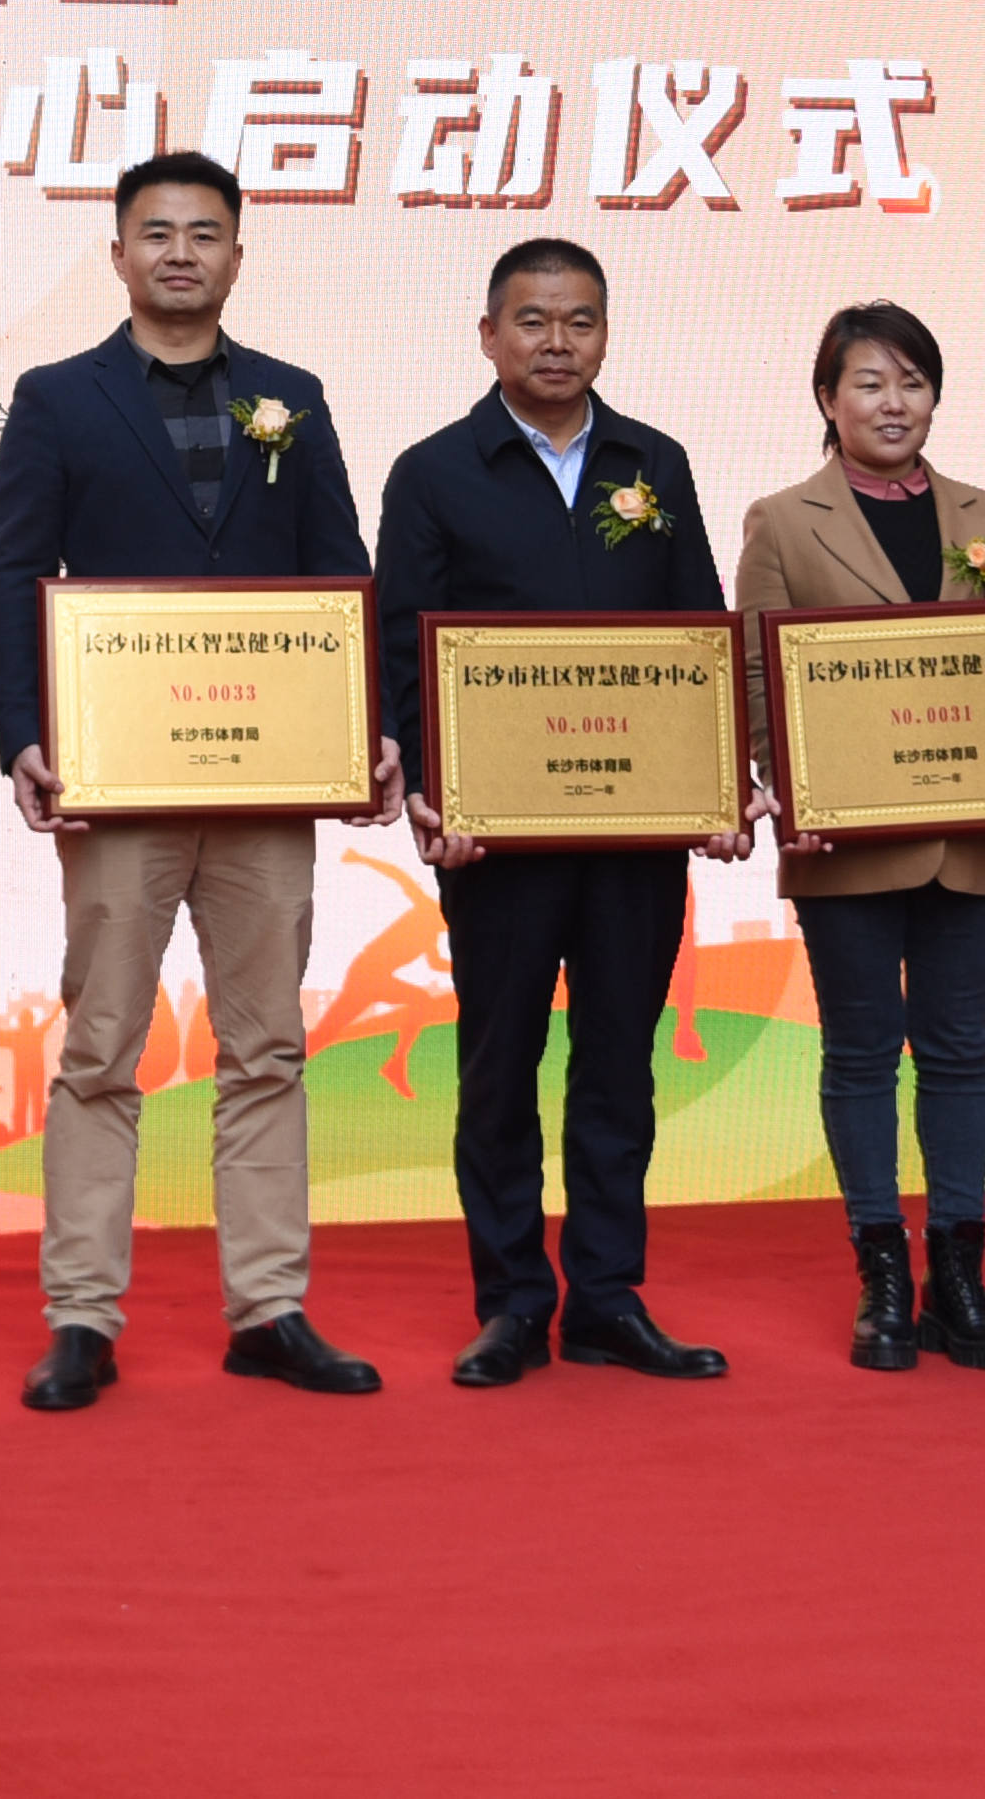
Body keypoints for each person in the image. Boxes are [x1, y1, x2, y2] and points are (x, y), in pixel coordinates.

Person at [0, 150, 388, 1413]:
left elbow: (339, 572)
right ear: (116, 252)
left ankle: (267, 1307)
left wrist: (365, 728)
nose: (178, 252)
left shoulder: (291, 398)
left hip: (266, 783)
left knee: (266, 1044)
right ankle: (80, 1316)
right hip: (118, 781)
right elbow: (15, 570)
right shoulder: (57, 397)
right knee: (100, 1044)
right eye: (154, 231)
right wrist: (23, 732)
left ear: (235, 255)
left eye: (202, 232)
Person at [373, 237, 736, 1391]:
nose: (555, 341)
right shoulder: (433, 471)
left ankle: (608, 1297)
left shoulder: (654, 463)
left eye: (578, 320)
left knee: (618, 1061)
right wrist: (428, 790)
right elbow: (401, 651)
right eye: (530, 319)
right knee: (500, 1062)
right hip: (497, 835)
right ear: (488, 334)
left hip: (635, 830)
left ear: (604, 334)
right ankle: (512, 1303)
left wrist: (713, 782)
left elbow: (696, 630)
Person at [737, 299, 985, 1375]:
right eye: (869, 382)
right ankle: (880, 1271)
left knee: (959, 1047)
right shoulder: (782, 518)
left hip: (964, 833)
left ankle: (959, 1272)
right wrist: (788, 782)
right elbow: (755, 677)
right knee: (857, 1049)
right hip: (842, 840)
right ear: (827, 398)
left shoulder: (984, 515)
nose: (893, 403)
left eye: (912, 381)